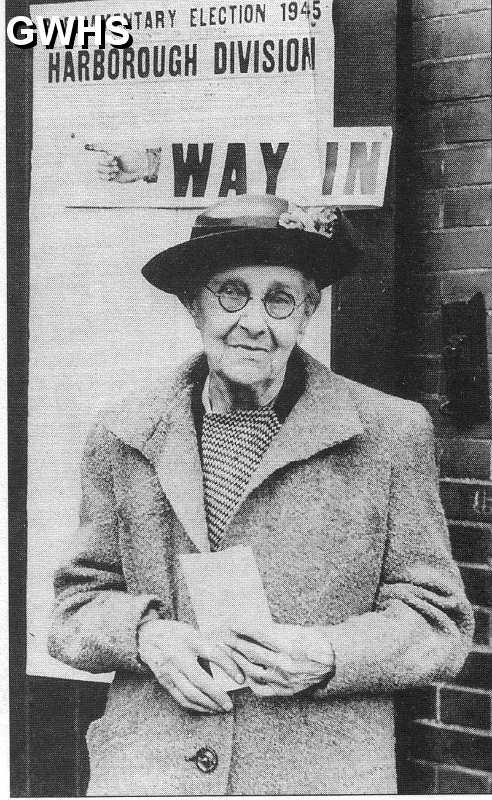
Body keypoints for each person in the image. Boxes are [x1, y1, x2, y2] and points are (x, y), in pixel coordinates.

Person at [48, 194, 474, 796]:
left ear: (308, 311)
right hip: (149, 770)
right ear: (193, 304)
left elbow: (439, 624)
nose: (253, 321)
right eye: (231, 293)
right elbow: (73, 610)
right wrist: (145, 638)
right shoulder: (124, 434)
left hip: (311, 772)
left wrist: (329, 654)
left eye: (279, 298)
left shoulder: (389, 433)